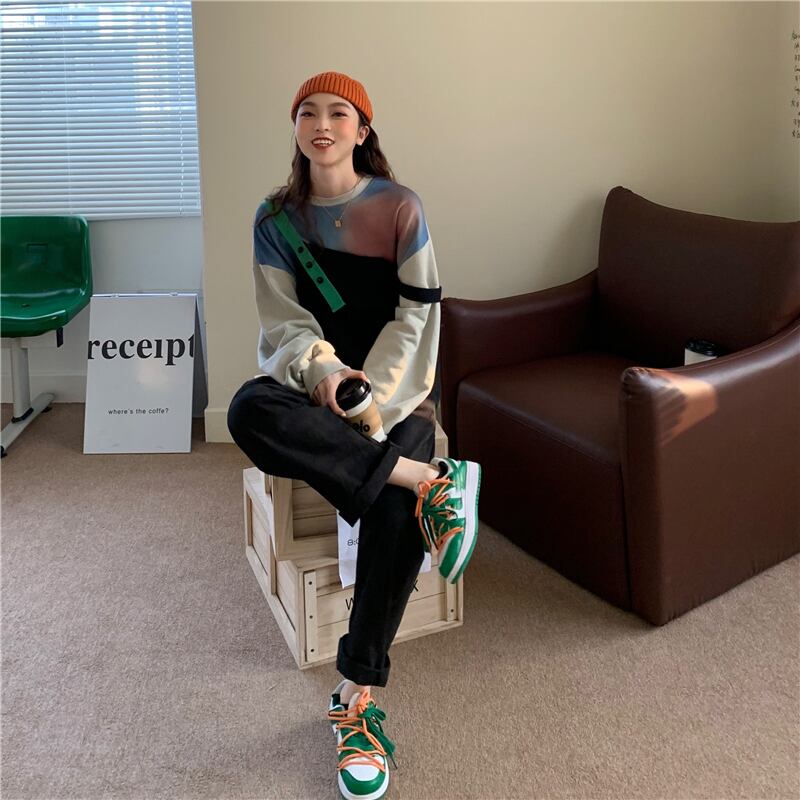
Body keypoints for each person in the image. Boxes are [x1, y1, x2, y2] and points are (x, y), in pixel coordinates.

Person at [226, 70, 481, 800]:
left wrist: (370, 401)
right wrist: (328, 377)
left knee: (393, 502)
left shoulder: (401, 207)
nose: (322, 124)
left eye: (339, 113)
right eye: (308, 112)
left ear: (362, 130)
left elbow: (417, 318)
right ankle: (431, 483)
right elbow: (283, 323)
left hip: (399, 393)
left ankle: (355, 699)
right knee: (247, 410)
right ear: (296, 128)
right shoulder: (275, 218)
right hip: (314, 386)